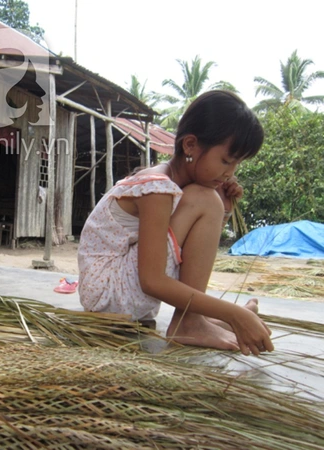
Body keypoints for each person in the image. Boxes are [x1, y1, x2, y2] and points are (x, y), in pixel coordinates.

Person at [78, 90, 274, 356]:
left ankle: (196, 319)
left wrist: (222, 210)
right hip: (108, 294)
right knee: (205, 199)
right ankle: (191, 322)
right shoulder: (158, 188)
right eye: (226, 160)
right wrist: (235, 314)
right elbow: (152, 281)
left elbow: (188, 247)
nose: (230, 172)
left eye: (237, 164)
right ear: (190, 145)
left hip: (111, 292)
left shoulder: (173, 185)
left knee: (207, 200)